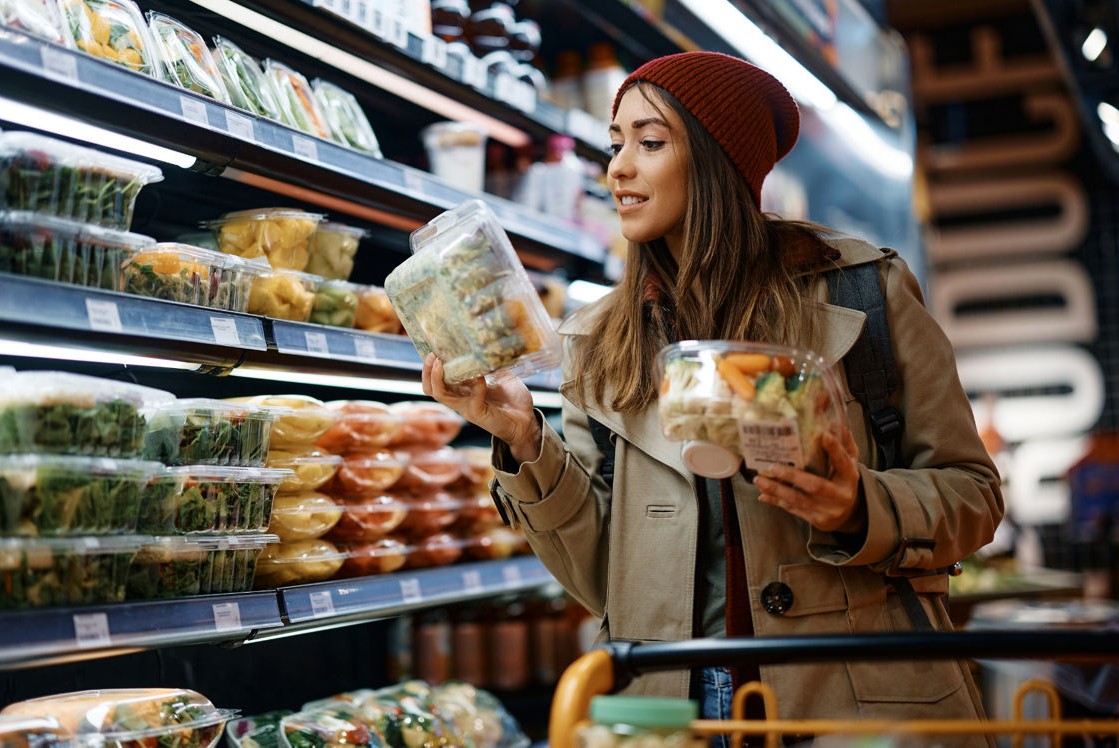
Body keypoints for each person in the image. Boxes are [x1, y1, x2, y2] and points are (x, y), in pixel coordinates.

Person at [421, 51, 1003, 734]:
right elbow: (601, 579)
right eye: (616, 145)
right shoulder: (596, 342)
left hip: (857, 702)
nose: (618, 169)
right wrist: (524, 439)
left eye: (650, 142)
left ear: (718, 158)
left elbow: (973, 494)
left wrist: (858, 507)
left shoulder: (863, 291)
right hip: (674, 711)